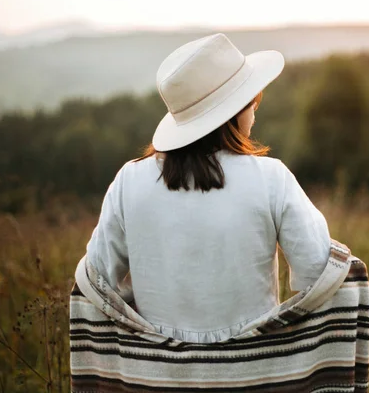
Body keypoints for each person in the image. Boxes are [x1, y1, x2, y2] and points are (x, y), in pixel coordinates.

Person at [83, 32, 332, 344]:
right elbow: (320, 271)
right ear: (235, 111)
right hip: (255, 370)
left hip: (159, 377)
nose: (254, 113)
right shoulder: (271, 178)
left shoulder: (128, 182)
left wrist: (148, 305)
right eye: (252, 102)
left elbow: (96, 281)